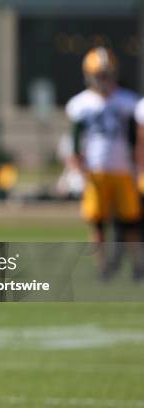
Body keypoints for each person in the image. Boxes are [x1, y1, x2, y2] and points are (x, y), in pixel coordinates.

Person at [66, 47, 142, 280]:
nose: (103, 80)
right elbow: (76, 140)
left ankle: (137, 265)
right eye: (99, 75)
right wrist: (78, 164)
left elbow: (135, 138)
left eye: (106, 74)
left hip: (123, 170)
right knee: (97, 223)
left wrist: (137, 166)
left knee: (131, 221)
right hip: (95, 170)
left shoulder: (129, 102)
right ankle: (102, 266)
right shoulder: (80, 104)